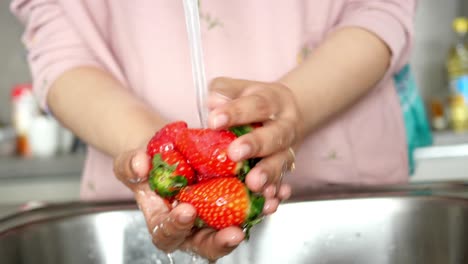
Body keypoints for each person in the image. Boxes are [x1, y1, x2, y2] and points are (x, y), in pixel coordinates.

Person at [11, 0, 417, 261]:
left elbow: (380, 10)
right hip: (135, 202)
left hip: (347, 201)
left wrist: (296, 106)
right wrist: (154, 156)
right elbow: (58, 40)